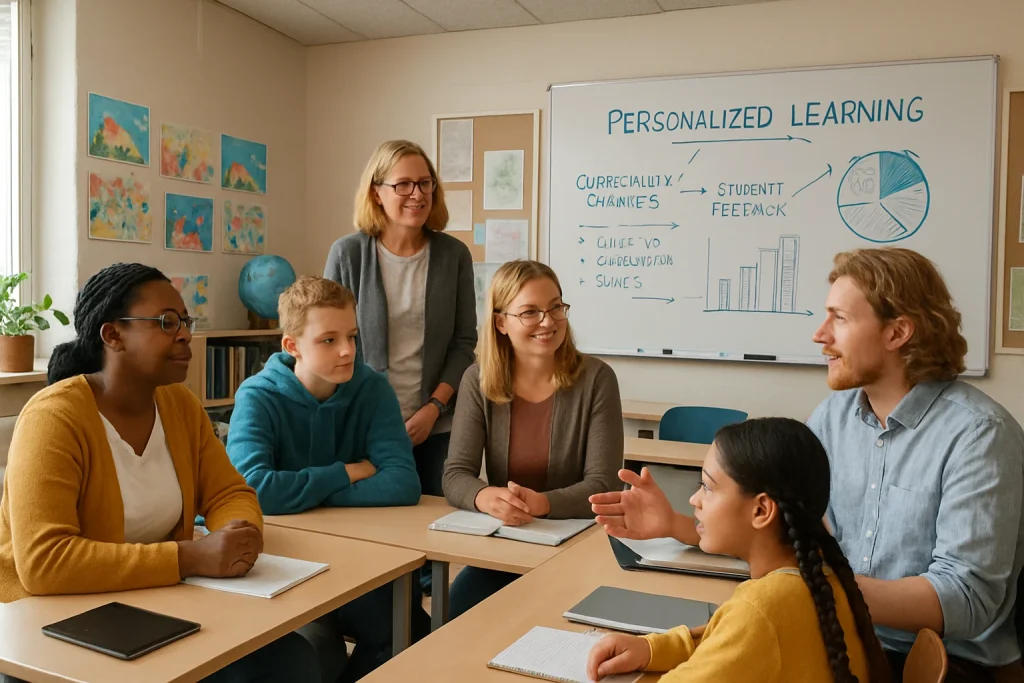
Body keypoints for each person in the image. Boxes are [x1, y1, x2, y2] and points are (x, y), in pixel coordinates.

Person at [591, 248, 1024, 682]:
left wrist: (796, 595)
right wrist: (677, 525)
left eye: (839, 318)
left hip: (947, 668)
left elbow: (967, 601)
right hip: (842, 635)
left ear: (897, 332)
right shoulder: (832, 417)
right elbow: (784, 529)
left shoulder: (980, 434)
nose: (820, 335)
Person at [0, 263, 320, 683]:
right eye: (167, 322)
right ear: (112, 335)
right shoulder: (54, 419)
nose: (185, 333)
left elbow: (228, 493)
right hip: (53, 626)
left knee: (292, 661)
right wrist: (191, 556)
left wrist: (236, 535)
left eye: (185, 321)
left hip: (155, 606)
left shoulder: (179, 404)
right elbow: (46, 563)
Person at [227, 275, 428, 683]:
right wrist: (348, 472)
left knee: (411, 633)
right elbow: (254, 490)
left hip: (361, 560)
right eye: (328, 340)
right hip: (282, 562)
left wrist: (301, 492)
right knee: (314, 658)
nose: (347, 351)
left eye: (352, 336)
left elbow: (403, 482)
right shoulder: (257, 395)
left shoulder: (372, 388)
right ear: (291, 345)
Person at [587, 418, 892, 682]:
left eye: (707, 486)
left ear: (761, 510)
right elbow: (727, 643)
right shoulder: (821, 574)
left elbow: (745, 632)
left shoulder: (760, 610)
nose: (695, 499)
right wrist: (651, 649)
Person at [324, 139, 477, 596]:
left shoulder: (453, 255)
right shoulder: (349, 253)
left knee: (435, 538)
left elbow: (464, 341)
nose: (417, 194)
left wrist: (433, 407)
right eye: (404, 184)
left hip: (436, 421)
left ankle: (430, 640)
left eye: (425, 183)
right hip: (363, 421)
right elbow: (330, 337)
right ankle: (381, 630)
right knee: (375, 537)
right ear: (376, 192)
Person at [442, 260, 623, 618]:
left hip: (579, 549)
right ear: (500, 322)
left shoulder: (597, 379)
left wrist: (540, 504)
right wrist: (483, 496)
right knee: (450, 618)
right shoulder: (477, 381)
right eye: (530, 312)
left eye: (556, 306)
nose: (548, 321)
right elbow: (455, 475)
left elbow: (602, 485)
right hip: (507, 547)